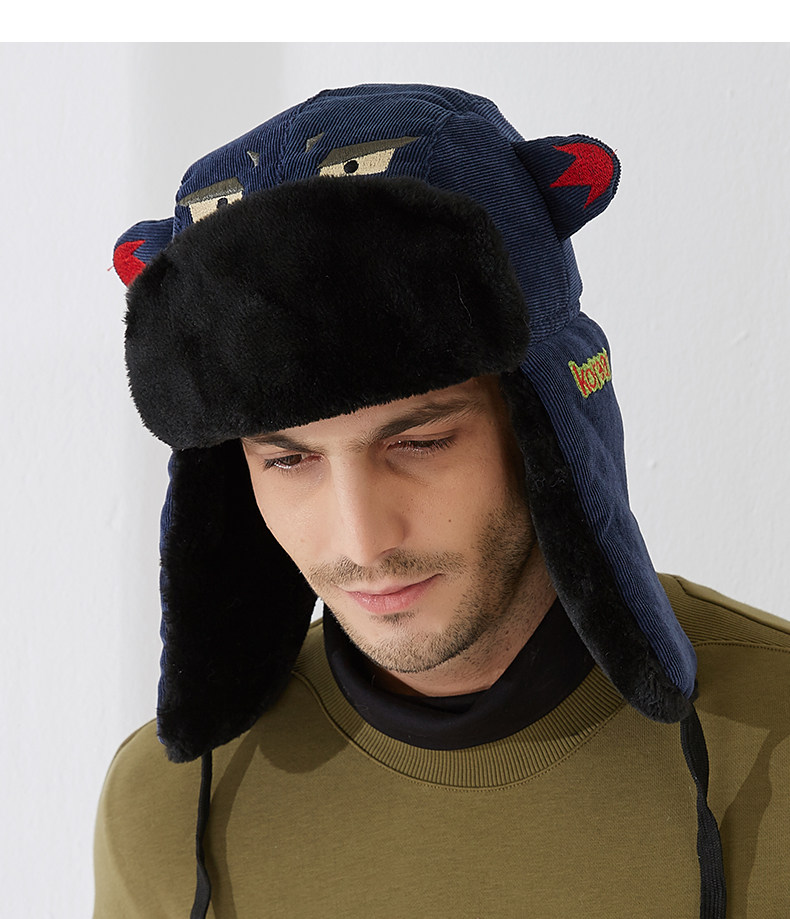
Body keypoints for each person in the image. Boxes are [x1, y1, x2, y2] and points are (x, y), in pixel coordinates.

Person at [94, 84, 789, 919]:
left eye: (418, 442)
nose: (363, 540)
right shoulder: (164, 810)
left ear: (543, 421)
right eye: (289, 459)